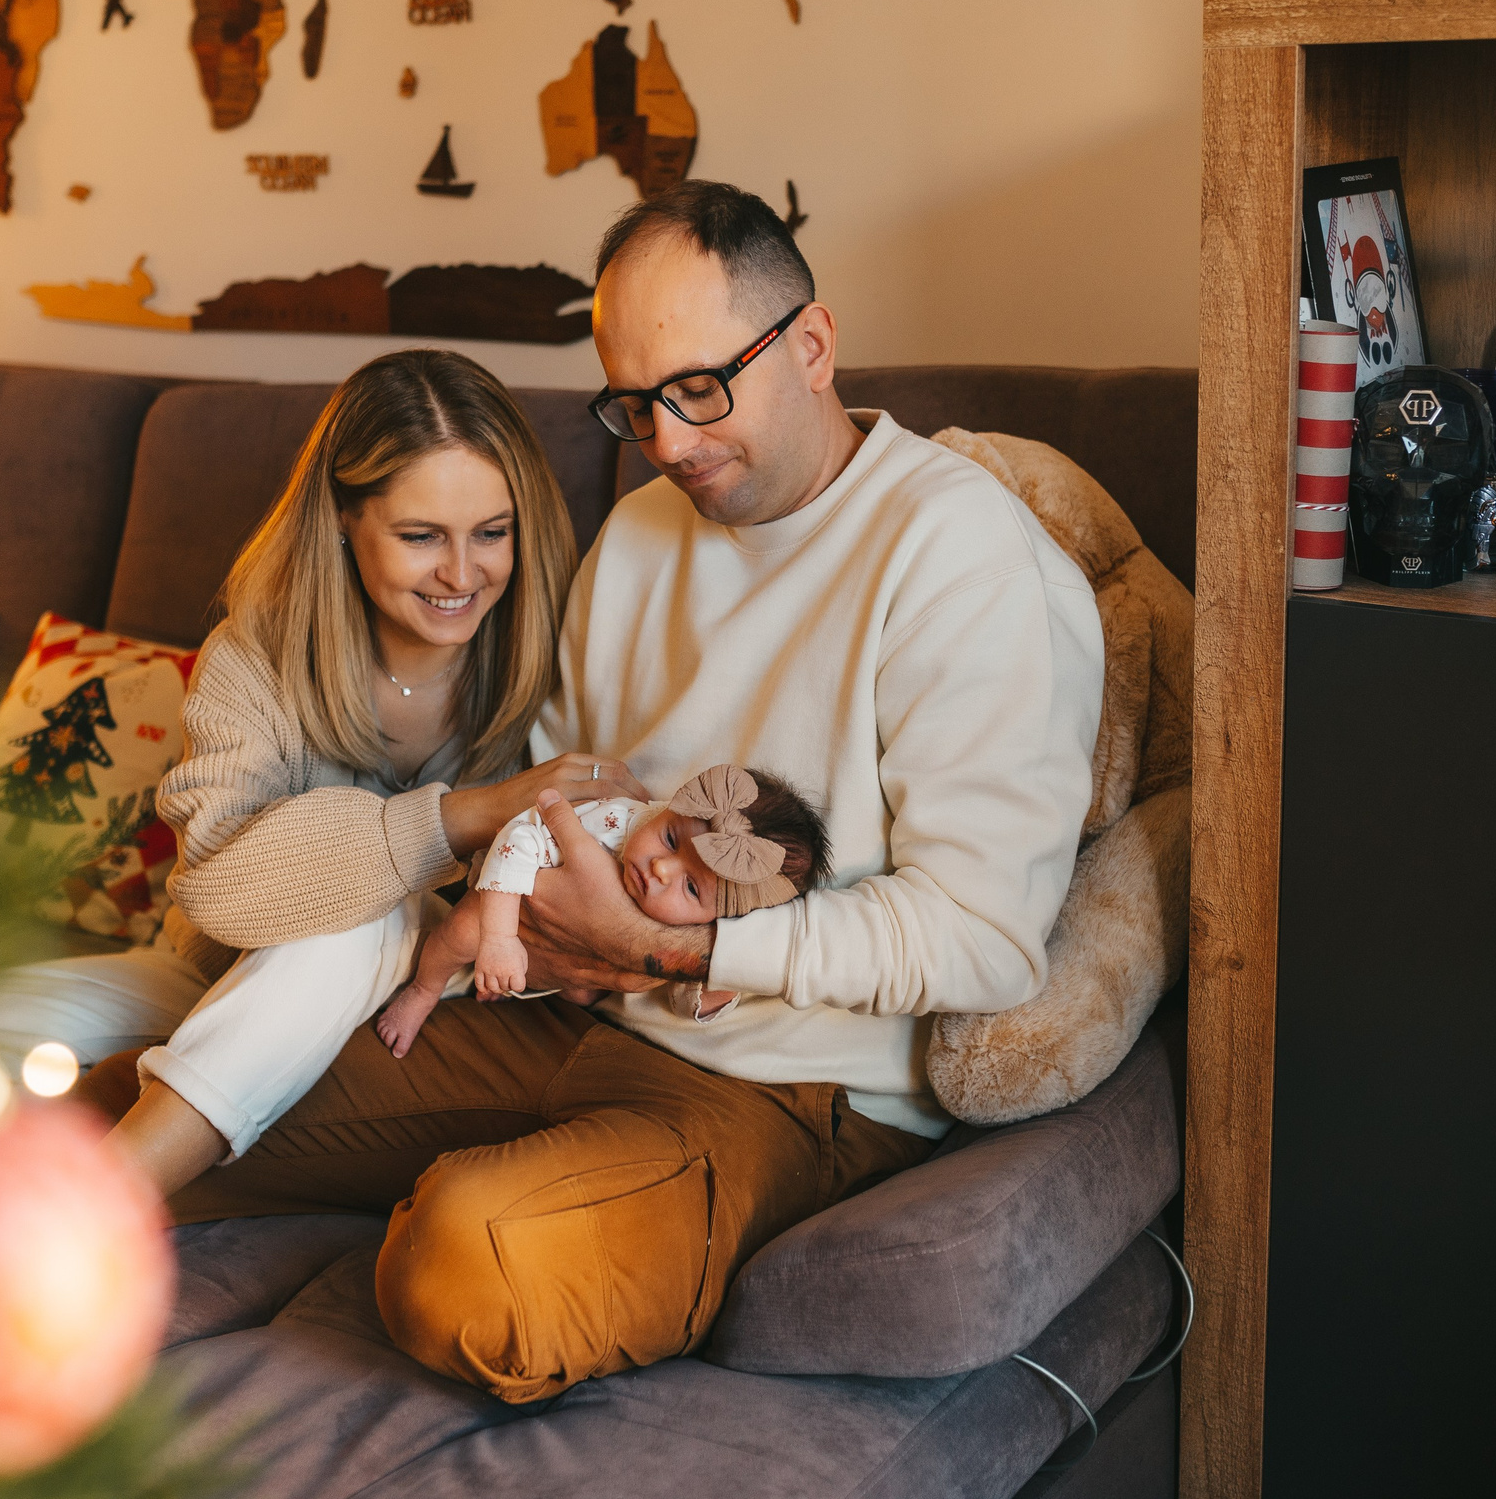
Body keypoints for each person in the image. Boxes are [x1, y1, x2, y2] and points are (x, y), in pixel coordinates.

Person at [163, 181, 1105, 1406]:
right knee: (168, 1103)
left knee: (468, 1261)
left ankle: (522, 1197)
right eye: (634, 404)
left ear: (810, 346)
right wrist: (537, 924)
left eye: (699, 390)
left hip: (778, 1086)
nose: (666, 442)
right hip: (556, 1007)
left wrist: (675, 944)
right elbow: (552, 788)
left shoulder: (960, 559)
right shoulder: (645, 532)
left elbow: (984, 940)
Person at [0, 349, 648, 1187]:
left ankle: (94, 1209)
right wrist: (461, 815)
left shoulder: (552, 656)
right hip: (221, 977)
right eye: (421, 535)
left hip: (433, 1008)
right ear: (343, 521)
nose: (464, 575)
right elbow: (212, 883)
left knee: (364, 914)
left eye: (492, 533)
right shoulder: (254, 659)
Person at [372, 762, 829, 1054]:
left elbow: (676, 985)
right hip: (513, 896)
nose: (661, 869)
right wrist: (500, 937)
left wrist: (712, 992)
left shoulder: (699, 928)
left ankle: (505, 980)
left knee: (585, 991)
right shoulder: (615, 820)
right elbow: (518, 838)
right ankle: (424, 990)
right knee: (462, 934)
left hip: (570, 971)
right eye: (670, 837)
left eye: (691, 888)